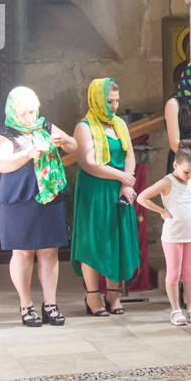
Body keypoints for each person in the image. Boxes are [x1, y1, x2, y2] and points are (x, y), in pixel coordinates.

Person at [0, 86, 76, 327]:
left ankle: (50, 304)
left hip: (49, 195)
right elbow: (0, 164)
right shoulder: (5, 134)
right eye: (24, 113)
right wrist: (27, 153)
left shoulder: (45, 127)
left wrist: (65, 140)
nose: (29, 117)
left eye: (32, 111)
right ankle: (25, 304)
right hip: (20, 198)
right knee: (23, 252)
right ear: (13, 112)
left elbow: (75, 147)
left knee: (50, 251)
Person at [70, 78, 140, 316]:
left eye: (117, 101)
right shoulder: (84, 126)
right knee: (93, 240)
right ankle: (92, 296)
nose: (114, 106)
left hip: (119, 189)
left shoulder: (119, 123)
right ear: (96, 100)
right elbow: (89, 163)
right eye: (109, 101)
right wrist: (122, 176)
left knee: (115, 238)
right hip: (95, 190)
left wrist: (125, 182)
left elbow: (129, 153)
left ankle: (113, 293)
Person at [136, 140, 191, 326]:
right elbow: (142, 197)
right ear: (175, 165)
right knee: (174, 274)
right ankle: (175, 310)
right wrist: (162, 211)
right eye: (186, 172)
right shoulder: (167, 182)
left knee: (189, 274)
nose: (189, 176)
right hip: (173, 236)